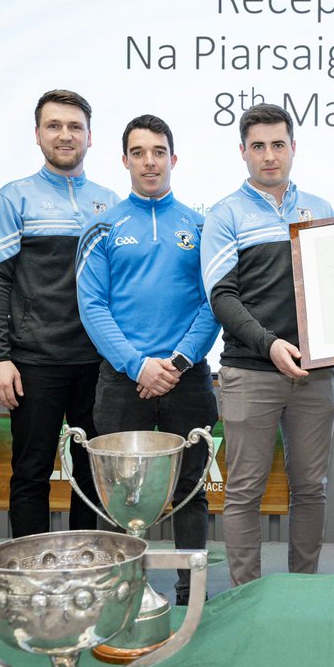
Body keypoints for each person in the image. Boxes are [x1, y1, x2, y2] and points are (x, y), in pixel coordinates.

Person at [76, 114, 220, 604]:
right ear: (124, 160)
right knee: (119, 494)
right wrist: (138, 365)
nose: (149, 161)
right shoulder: (101, 227)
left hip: (188, 378)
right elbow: (92, 305)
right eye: (138, 152)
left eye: (158, 151)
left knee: (191, 489)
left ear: (173, 158)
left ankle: (189, 593)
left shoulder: (201, 227)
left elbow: (212, 301)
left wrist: (176, 363)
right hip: (122, 381)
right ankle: (121, 593)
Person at [201, 103, 334, 587]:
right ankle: (247, 598)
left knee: (311, 490)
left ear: (293, 147)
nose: (269, 156)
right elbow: (221, 296)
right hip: (249, 372)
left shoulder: (320, 209)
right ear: (243, 152)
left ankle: (303, 592)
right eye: (257, 146)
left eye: (278, 144)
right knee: (243, 493)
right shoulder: (224, 214)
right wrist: (270, 344)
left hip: (317, 375)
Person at [0, 89, 119, 537]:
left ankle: (85, 567)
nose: (65, 135)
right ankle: (31, 575)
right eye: (54, 126)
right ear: (37, 135)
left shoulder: (111, 202)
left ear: (90, 137)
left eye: (74, 126)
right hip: (34, 362)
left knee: (93, 476)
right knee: (31, 473)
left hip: (98, 363)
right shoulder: (13, 198)